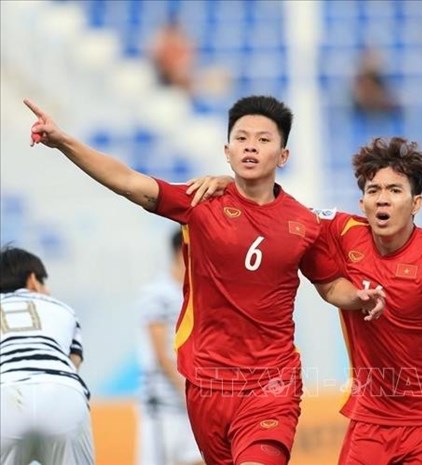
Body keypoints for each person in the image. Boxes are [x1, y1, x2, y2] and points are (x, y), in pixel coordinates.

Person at [25, 95, 385, 465]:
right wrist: (63, 141)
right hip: (206, 383)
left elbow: (328, 285)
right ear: (227, 151)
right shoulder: (200, 200)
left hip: (272, 384)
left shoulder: (305, 224)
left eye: (264, 140)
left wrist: (359, 297)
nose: (251, 146)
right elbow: (128, 181)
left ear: (283, 156)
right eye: (242, 138)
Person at [187, 136, 422, 465]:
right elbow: (274, 210)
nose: (383, 200)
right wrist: (234, 185)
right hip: (369, 421)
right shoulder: (342, 230)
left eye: (395, 191)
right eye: (374, 191)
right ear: (362, 201)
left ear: (416, 203)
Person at [0, 246, 93, 465]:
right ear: (32, 280)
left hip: (5, 393)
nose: (48, 290)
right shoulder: (63, 309)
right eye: (44, 282)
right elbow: (73, 363)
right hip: (61, 394)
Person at [136, 229, 203, 465]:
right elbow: (161, 353)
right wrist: (189, 390)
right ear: (181, 252)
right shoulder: (158, 292)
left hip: (197, 403)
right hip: (163, 405)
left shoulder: (201, 293)